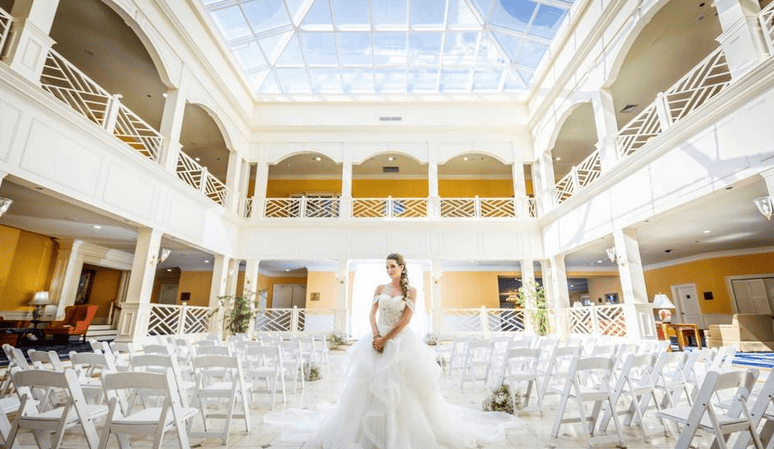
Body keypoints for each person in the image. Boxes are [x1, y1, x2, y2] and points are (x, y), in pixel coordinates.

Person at [265, 253, 516, 448]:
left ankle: (399, 436)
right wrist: (375, 335)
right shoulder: (379, 289)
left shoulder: (411, 291)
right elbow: (371, 313)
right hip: (375, 340)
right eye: (386, 267)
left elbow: (405, 320)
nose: (389, 270)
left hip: (399, 342)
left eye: (393, 267)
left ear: (402, 267)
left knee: (400, 389)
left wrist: (386, 338)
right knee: (368, 385)